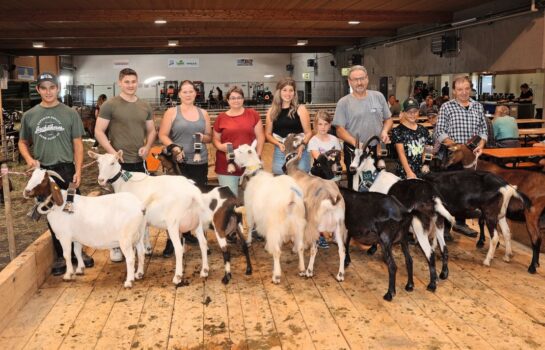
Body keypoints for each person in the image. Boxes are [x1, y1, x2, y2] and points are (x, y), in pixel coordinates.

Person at [19, 72, 94, 276]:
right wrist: (29, 159)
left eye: (52, 87)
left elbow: (78, 144)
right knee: (52, 213)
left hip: (66, 169)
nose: (48, 91)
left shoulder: (69, 113)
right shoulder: (30, 115)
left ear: (58, 89)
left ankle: (80, 253)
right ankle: (62, 254)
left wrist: (78, 170)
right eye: (44, 88)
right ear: (38, 90)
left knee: (74, 209)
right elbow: (22, 141)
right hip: (44, 172)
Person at [95, 68, 157, 262]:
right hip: (117, 166)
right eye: (127, 81)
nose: (130, 85)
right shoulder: (110, 105)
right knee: (115, 207)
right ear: (120, 83)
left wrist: (147, 146)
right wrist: (113, 153)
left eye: (133, 81)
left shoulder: (144, 105)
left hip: (138, 163)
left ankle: (144, 240)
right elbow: (99, 131)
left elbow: (152, 131)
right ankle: (114, 246)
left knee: (140, 204)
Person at [159, 80, 212, 256]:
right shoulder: (172, 112)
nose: (188, 94)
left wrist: (203, 137)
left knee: (196, 200)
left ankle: (191, 233)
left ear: (195, 94)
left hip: (199, 161)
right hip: (178, 163)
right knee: (174, 202)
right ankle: (171, 240)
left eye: (191, 91)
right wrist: (174, 147)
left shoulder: (203, 112)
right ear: (179, 94)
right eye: (185, 92)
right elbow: (163, 135)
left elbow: (209, 137)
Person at [435, 75, 488, 238]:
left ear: (470, 89)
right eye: (460, 89)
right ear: (454, 91)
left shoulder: (478, 106)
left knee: (467, 191)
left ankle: (460, 223)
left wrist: (482, 143)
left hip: (471, 157)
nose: (464, 92)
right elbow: (440, 131)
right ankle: (444, 227)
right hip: (453, 156)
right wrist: (457, 146)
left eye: (466, 89)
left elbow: (483, 129)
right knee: (450, 191)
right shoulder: (446, 107)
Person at [333, 65, 393, 189]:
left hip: (376, 149)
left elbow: (388, 120)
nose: (359, 82)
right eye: (355, 79)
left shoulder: (378, 97)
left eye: (362, 78)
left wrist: (385, 131)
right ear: (349, 81)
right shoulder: (343, 103)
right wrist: (356, 143)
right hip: (354, 152)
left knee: (378, 184)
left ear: (367, 79)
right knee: (356, 185)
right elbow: (339, 130)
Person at [213, 86, 265, 196]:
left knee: (254, 198)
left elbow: (260, 137)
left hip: (250, 163)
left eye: (239, 97)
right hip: (227, 163)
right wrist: (221, 147)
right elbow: (215, 140)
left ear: (243, 99)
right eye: (232, 98)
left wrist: (258, 156)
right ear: (227, 100)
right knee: (230, 199)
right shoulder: (221, 118)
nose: (236, 100)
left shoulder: (253, 114)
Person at [265, 77, 312, 175]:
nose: (288, 93)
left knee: (300, 183)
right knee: (280, 182)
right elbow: (268, 134)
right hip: (281, 150)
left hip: (299, 151)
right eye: (285, 90)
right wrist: (278, 144)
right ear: (279, 92)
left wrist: (302, 145)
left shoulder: (301, 109)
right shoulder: (271, 111)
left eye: (291, 90)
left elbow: (308, 133)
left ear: (294, 93)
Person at [391, 98, 433, 179]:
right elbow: (401, 153)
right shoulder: (398, 131)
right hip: (405, 172)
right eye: (409, 112)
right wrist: (409, 172)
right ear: (403, 113)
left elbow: (428, 148)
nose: (412, 114)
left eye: (415, 111)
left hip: (422, 172)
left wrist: (426, 164)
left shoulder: (423, 130)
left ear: (418, 112)